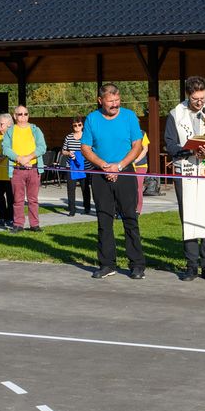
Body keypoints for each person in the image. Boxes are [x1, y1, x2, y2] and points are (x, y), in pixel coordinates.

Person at [80, 83, 146, 280]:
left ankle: (137, 265)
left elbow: (137, 145)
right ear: (100, 100)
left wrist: (119, 166)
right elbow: (85, 148)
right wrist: (103, 165)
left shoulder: (129, 116)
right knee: (104, 220)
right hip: (100, 174)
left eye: (117, 101)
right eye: (111, 101)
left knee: (130, 219)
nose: (115, 105)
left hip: (125, 173)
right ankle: (107, 264)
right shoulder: (92, 118)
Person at [165, 76, 205, 281]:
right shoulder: (176, 114)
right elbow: (170, 144)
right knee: (189, 217)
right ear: (187, 95)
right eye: (195, 99)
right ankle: (191, 265)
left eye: (202, 98)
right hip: (187, 169)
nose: (200, 103)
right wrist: (189, 151)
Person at [1, 105, 47, 232]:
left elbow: (42, 147)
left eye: (25, 114)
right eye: (20, 114)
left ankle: (34, 225)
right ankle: (18, 224)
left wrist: (28, 157)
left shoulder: (35, 130)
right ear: (15, 116)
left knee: (33, 199)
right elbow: (5, 148)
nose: (23, 116)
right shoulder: (10, 131)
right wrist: (19, 159)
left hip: (34, 169)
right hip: (17, 170)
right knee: (18, 199)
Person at [60, 116, 91, 217]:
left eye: (79, 125)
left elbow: (91, 150)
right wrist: (69, 153)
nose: (77, 127)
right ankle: (72, 209)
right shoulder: (68, 137)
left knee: (85, 188)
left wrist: (84, 153)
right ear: (72, 126)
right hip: (71, 166)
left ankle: (87, 207)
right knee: (71, 188)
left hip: (84, 166)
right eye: (75, 125)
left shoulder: (86, 136)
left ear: (82, 125)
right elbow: (63, 151)